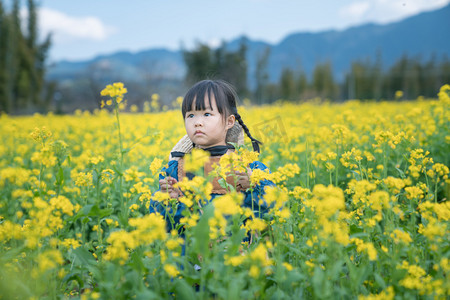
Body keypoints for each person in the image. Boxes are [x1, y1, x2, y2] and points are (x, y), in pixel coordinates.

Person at [148, 79, 275, 232]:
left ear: (229, 122)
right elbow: (165, 227)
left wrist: (255, 186)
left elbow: (272, 212)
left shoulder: (247, 166)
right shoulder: (176, 169)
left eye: (207, 114)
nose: (197, 122)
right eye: (191, 115)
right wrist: (167, 200)